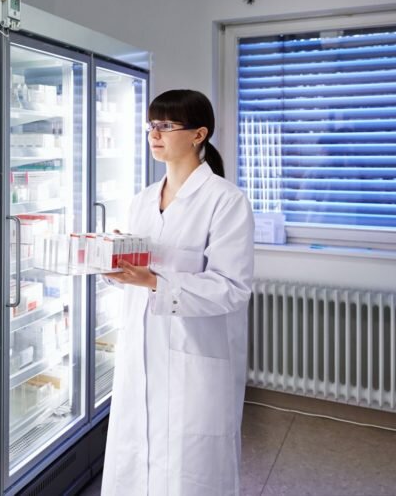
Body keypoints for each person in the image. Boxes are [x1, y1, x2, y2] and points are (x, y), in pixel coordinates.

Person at [100, 89, 254, 495]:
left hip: (193, 354)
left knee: (190, 468)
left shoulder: (226, 200)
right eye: (151, 125)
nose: (155, 134)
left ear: (198, 134)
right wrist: (112, 262)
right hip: (142, 351)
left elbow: (231, 288)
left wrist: (154, 281)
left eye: (166, 126)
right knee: (135, 457)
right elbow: (136, 273)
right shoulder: (143, 200)